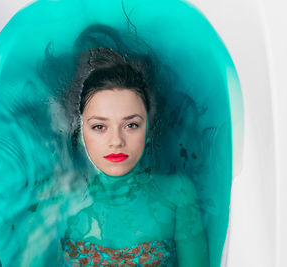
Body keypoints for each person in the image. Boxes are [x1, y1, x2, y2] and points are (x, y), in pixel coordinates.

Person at [60, 44, 209, 266]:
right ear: (80, 133)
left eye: (131, 124)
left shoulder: (178, 193)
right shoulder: (58, 197)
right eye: (100, 127)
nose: (116, 141)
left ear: (149, 130)